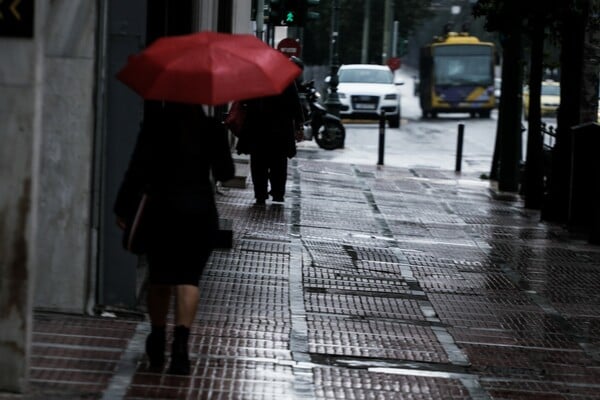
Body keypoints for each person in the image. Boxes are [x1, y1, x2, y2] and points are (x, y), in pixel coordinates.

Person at [114, 101, 234, 375]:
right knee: (188, 280)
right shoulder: (210, 126)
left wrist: (123, 207)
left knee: (159, 278)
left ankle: (156, 338)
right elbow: (226, 173)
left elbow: (136, 169)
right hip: (199, 213)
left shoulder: (155, 124)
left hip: (161, 211)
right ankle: (181, 347)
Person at [236, 82, 304, 204]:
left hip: (258, 128)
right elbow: (295, 103)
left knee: (258, 163)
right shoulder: (285, 79)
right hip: (280, 130)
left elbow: (244, 100)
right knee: (278, 163)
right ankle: (277, 194)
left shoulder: (256, 79)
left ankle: (260, 194)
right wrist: (299, 124)